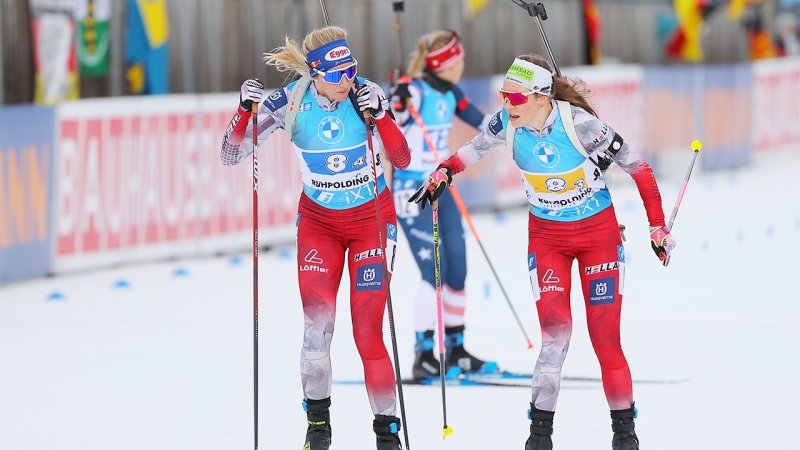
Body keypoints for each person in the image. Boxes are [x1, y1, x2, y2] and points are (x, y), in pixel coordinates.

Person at [409, 54, 676, 450]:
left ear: (540, 97)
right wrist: (444, 171)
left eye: (515, 98)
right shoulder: (507, 124)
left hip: (597, 237)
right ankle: (539, 438)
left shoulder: (581, 124)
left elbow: (639, 168)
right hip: (548, 239)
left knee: (605, 338)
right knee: (555, 338)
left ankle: (625, 435)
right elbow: (474, 148)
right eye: (503, 96)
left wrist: (657, 226)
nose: (506, 105)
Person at [220, 26, 411, 450]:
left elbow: (402, 157)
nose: (347, 80)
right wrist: (244, 112)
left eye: (352, 69)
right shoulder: (288, 103)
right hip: (319, 225)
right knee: (316, 333)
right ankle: (318, 428)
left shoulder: (366, 96)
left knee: (367, 333)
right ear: (315, 74)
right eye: (337, 73)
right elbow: (231, 154)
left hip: (372, 223)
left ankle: (387, 433)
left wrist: (380, 115)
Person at [388, 30, 496, 381]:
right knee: (432, 272)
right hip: (411, 192)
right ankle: (423, 352)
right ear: (448, 62)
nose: (463, 64)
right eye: (459, 58)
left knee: (457, 269)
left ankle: (455, 349)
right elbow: (393, 123)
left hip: (440, 186)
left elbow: (484, 125)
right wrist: (398, 102)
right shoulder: (413, 90)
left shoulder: (451, 93)